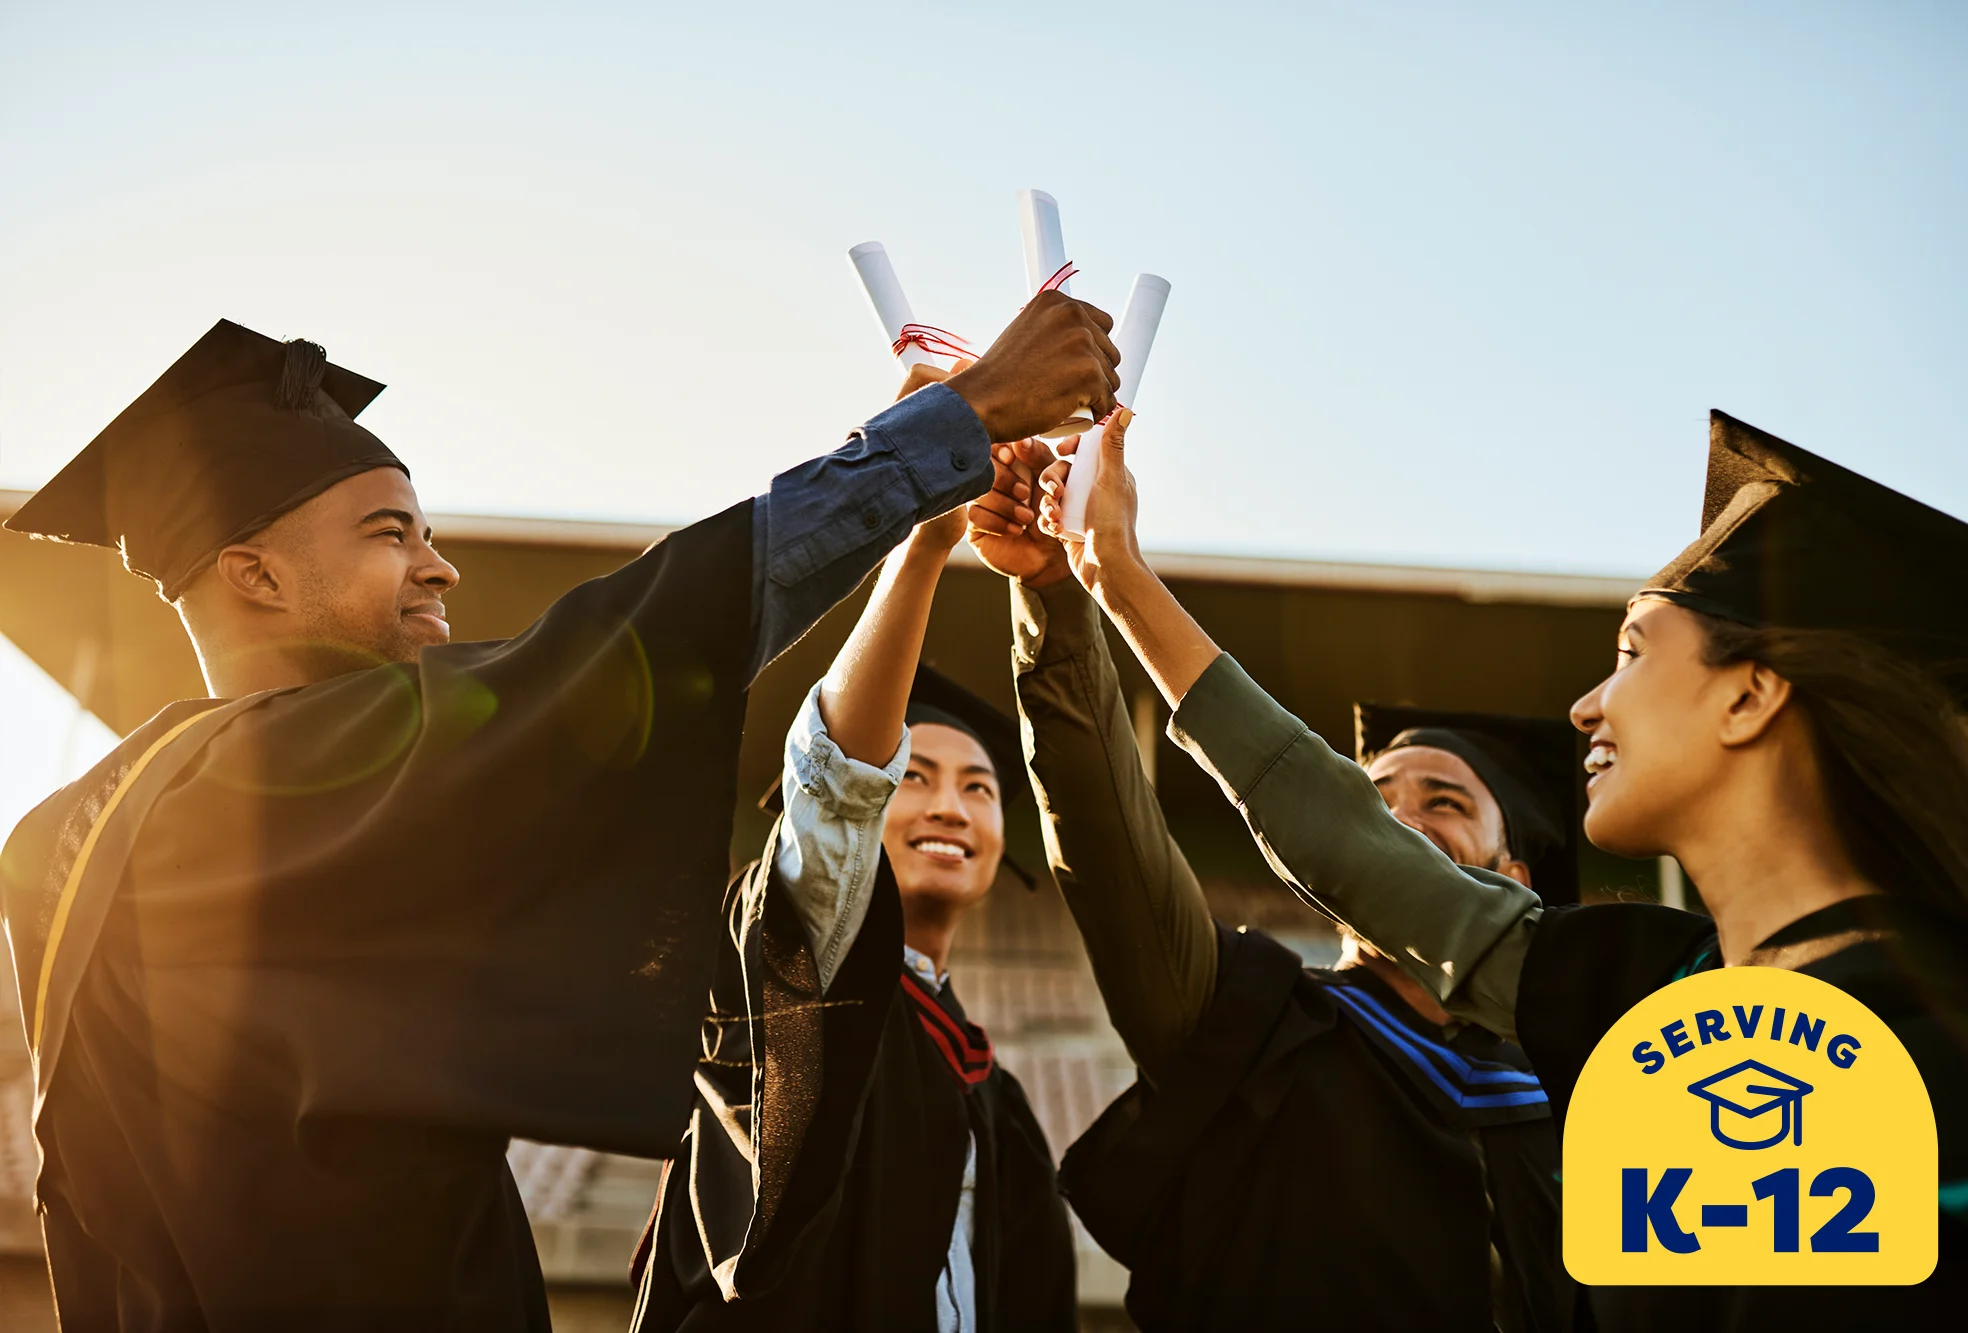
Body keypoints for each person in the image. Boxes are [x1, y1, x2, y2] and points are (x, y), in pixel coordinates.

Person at [0, 300, 1117, 1331]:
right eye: (390, 533)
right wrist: (947, 429)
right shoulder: (296, 772)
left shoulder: (58, 840)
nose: (438, 566)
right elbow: (646, 630)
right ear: (254, 574)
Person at [1036, 409, 1968, 1328]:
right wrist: (1108, 573)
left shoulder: (1935, 1053)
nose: (1587, 705)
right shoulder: (1652, 992)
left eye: (1630, 652)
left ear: (1749, 696)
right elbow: (1349, 845)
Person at [968, 463, 1575, 1328]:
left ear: (1514, 879)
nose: (1395, 819)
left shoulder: (1579, 1094)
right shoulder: (1253, 1021)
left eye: (1444, 801)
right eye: (1376, 796)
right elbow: (1109, 841)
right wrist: (1055, 600)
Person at [631, 414, 1074, 1328]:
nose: (950, 805)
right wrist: (925, 546)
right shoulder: (801, 985)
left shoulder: (1000, 1097)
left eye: (980, 787)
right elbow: (833, 798)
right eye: (915, 776)